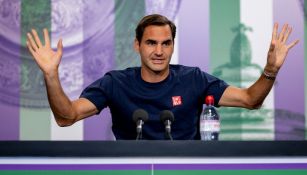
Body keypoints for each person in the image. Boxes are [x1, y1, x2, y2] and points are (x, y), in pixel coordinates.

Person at [26, 14, 299, 140]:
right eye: (151, 43)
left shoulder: (193, 79)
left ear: (172, 45)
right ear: (137, 45)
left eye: (166, 43)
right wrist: (51, 76)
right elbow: (67, 117)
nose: (159, 51)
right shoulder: (115, 83)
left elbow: (251, 100)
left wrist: (270, 70)